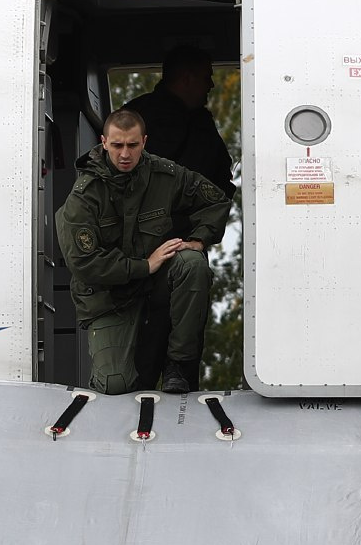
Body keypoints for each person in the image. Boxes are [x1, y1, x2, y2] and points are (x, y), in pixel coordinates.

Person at [54, 107, 230, 395]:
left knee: (192, 263)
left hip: (156, 286)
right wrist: (145, 266)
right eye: (118, 145)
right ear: (103, 142)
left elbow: (215, 200)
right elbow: (84, 263)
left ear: (144, 142)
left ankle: (180, 364)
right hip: (108, 297)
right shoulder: (84, 196)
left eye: (133, 145)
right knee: (115, 386)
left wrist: (199, 239)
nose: (125, 154)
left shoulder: (165, 174)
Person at [122, 44, 234, 194]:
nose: (211, 85)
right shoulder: (135, 118)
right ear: (187, 79)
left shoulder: (201, 120)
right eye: (206, 77)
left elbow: (221, 173)